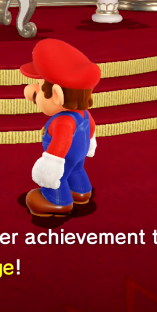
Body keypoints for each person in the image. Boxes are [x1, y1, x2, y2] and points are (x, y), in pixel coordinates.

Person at [20, 39, 101, 217]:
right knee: (77, 169)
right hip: (80, 152)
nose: (33, 90)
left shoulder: (63, 121)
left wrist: (50, 166)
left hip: (65, 157)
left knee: (60, 176)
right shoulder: (83, 113)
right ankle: (81, 191)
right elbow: (91, 126)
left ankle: (57, 201)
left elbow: (60, 145)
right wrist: (90, 142)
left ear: (56, 95)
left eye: (40, 87)